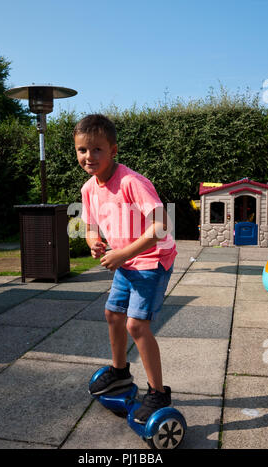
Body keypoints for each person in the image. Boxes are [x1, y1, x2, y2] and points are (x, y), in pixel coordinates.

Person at [74, 114, 177, 424]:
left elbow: (160, 227)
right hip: (126, 259)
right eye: (82, 150)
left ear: (113, 150)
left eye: (97, 150)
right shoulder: (89, 188)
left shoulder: (133, 182)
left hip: (152, 259)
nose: (88, 157)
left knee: (136, 325)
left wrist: (123, 254)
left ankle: (158, 392)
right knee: (113, 314)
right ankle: (120, 372)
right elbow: (90, 225)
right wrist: (94, 243)